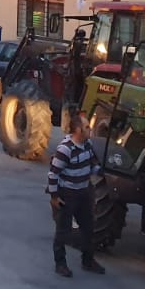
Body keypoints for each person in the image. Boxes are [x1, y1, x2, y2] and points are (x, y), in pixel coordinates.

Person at [46, 108, 106, 277]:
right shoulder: (65, 149)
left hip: (83, 192)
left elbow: (92, 164)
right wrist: (54, 197)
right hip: (68, 195)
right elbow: (53, 174)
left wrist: (102, 172)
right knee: (63, 230)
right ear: (78, 130)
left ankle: (88, 261)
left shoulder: (88, 145)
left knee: (88, 228)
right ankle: (60, 263)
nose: (90, 130)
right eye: (87, 127)